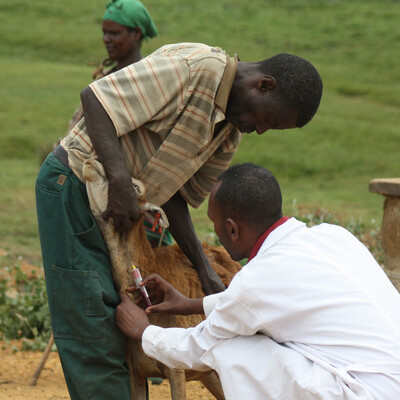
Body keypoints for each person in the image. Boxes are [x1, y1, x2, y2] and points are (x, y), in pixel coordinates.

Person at [35, 44, 322, 400]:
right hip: (76, 185)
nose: (262, 130)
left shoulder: (230, 132)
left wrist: (205, 272)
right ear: (263, 85)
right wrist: (122, 182)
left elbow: (177, 197)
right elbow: (96, 100)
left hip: (119, 210)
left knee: (119, 314)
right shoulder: (194, 69)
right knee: (93, 321)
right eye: (269, 119)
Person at [116, 163, 400, 400]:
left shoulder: (256, 280)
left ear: (231, 228)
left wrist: (143, 331)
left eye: (214, 223)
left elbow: (199, 347)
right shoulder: (333, 236)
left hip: (366, 393)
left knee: (231, 348)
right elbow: (268, 300)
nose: (216, 231)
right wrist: (191, 304)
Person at [64, 0, 173, 249]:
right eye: (104, 32)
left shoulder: (148, 79)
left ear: (136, 33)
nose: (106, 39)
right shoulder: (105, 78)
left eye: (114, 33)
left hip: (133, 190)